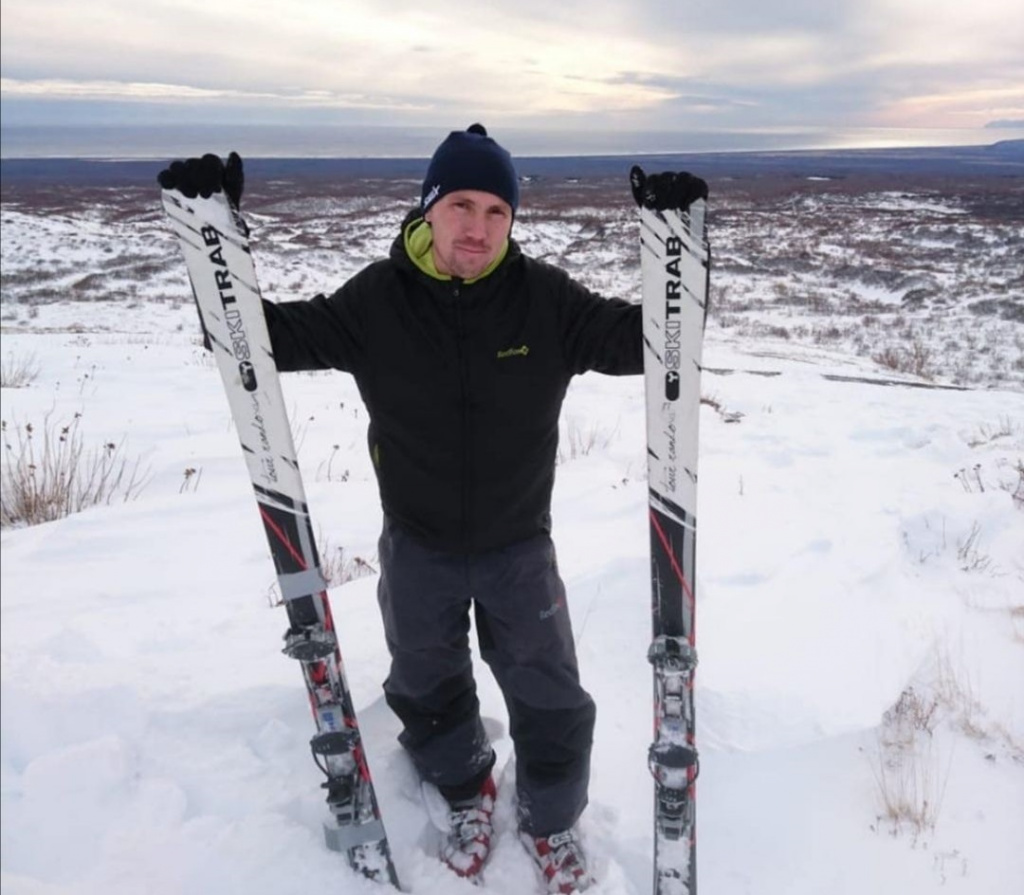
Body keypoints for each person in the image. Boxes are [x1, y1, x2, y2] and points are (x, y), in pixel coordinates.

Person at [158, 125, 706, 894]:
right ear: (428, 208)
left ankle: (549, 819)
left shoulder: (543, 300)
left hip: (521, 543)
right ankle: (464, 790)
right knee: (425, 684)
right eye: (461, 205)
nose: (477, 227)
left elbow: (652, 344)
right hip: (417, 546)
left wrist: (677, 256)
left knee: (551, 696)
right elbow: (259, 342)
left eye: (495, 211)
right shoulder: (377, 302)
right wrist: (211, 238)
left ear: (512, 220)